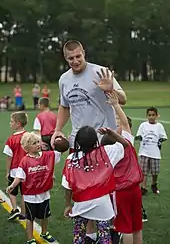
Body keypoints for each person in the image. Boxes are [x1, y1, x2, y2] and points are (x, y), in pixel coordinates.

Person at [51, 40, 127, 151]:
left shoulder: (100, 72)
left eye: (78, 56)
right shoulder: (64, 79)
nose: (75, 61)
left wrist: (110, 90)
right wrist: (57, 130)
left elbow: (123, 99)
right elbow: (64, 106)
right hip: (77, 141)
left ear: (84, 53)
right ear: (65, 58)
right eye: (71, 58)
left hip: (103, 139)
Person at [62, 125, 128, 244]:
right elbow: (125, 144)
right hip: (102, 204)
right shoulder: (106, 153)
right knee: (105, 236)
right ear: (95, 141)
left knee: (79, 236)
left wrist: (67, 204)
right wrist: (111, 133)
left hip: (80, 204)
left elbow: (67, 186)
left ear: (78, 141)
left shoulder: (71, 158)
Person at [101, 92, 143, 244]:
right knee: (137, 227)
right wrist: (116, 105)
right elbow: (125, 123)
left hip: (121, 191)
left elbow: (123, 124)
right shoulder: (128, 142)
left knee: (125, 227)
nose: (117, 126)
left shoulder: (106, 151)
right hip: (135, 189)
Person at [6, 132, 61, 244]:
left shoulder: (47, 155)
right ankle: (30, 239)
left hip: (44, 194)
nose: (38, 144)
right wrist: (12, 186)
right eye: (34, 143)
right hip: (30, 196)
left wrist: (61, 141)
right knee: (30, 218)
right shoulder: (25, 161)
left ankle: (44, 233)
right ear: (27, 147)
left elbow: (59, 151)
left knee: (45, 216)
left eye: (38, 142)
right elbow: (19, 177)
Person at [135, 107, 167, 195]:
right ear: (147, 116)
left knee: (155, 171)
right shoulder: (143, 125)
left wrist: (161, 140)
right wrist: (139, 137)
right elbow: (139, 134)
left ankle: (154, 183)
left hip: (155, 152)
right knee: (144, 171)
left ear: (157, 116)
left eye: (153, 115)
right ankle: (143, 187)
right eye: (149, 115)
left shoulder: (159, 126)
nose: (151, 117)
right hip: (144, 152)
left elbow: (163, 136)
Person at [3, 111, 28, 220]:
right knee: (24, 193)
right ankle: (23, 214)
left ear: (18, 124)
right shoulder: (28, 136)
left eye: (11, 121)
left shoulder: (11, 139)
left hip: (15, 171)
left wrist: (7, 171)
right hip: (27, 170)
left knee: (11, 190)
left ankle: (14, 209)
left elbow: (9, 157)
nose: (10, 123)